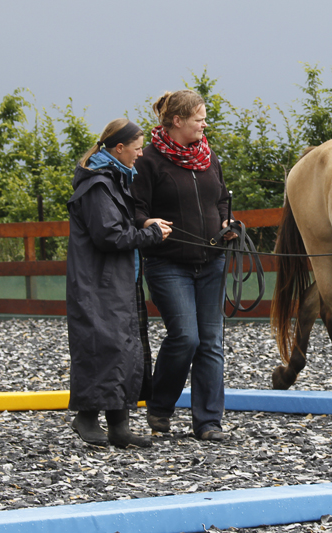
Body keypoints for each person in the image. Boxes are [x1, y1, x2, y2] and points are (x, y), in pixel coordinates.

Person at [132, 90, 235, 442]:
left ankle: (209, 422)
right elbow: (136, 209)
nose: (204, 124)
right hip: (167, 264)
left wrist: (226, 223)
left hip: (212, 261)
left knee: (211, 342)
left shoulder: (209, 157)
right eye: (199, 119)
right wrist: (147, 224)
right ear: (177, 121)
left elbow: (221, 198)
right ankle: (160, 406)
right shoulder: (147, 161)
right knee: (186, 338)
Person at [66, 118, 173, 448]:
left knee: (123, 346)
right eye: (137, 149)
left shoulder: (112, 180)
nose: (141, 155)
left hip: (114, 279)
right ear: (119, 148)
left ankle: (119, 425)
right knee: (103, 346)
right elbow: (109, 235)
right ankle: (86, 418)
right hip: (98, 281)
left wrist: (146, 227)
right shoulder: (99, 185)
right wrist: (151, 234)